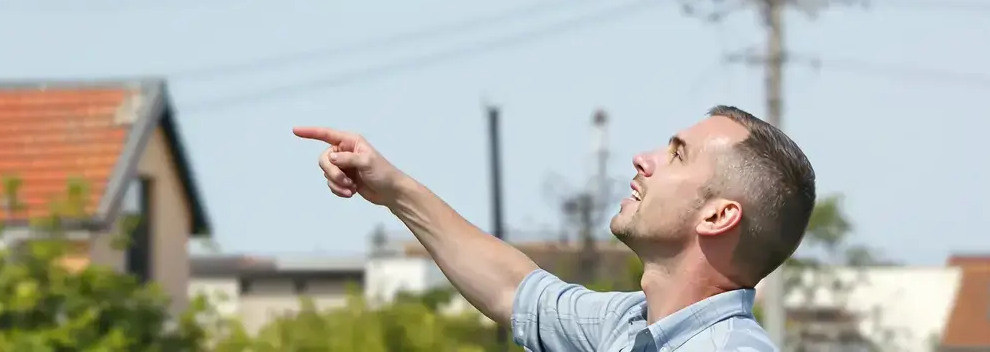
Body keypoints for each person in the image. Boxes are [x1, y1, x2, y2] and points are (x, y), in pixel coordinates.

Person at [294, 104, 816, 352]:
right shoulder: (630, 328)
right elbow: (516, 291)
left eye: (677, 156)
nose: (643, 159)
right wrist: (393, 189)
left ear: (718, 216)